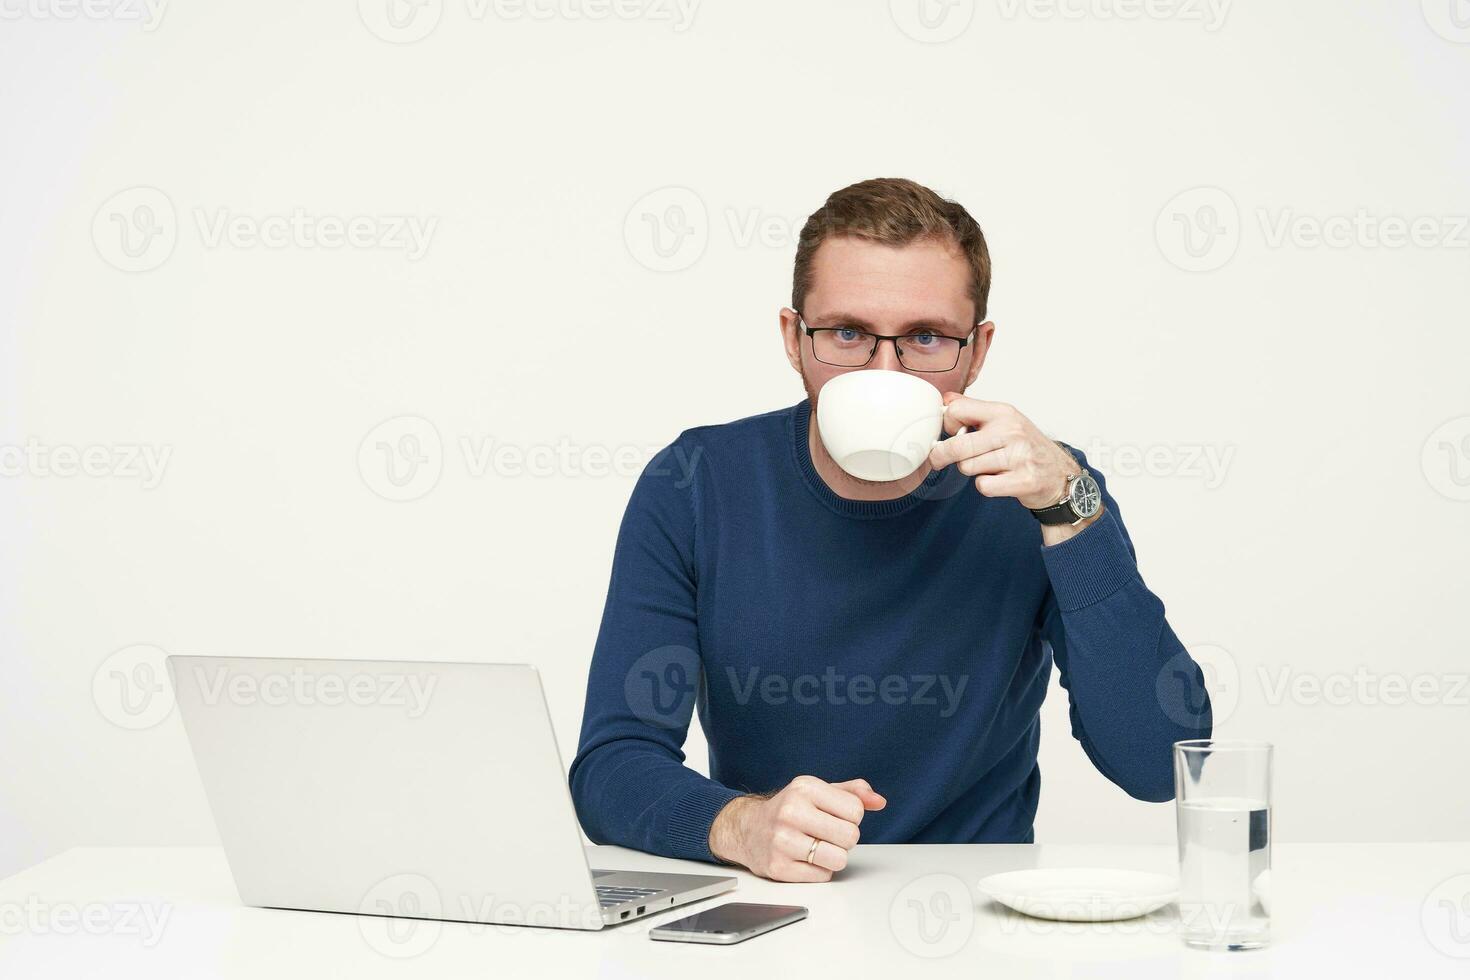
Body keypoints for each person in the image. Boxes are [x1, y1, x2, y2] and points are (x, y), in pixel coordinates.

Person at [569, 177, 1213, 882]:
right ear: (793, 338)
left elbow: (1162, 763)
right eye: (847, 333)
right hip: (782, 909)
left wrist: (1071, 510)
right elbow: (613, 767)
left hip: (979, 913)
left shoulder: (1047, 490)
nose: (884, 370)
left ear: (977, 350)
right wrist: (743, 825)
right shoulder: (696, 483)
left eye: (926, 338)